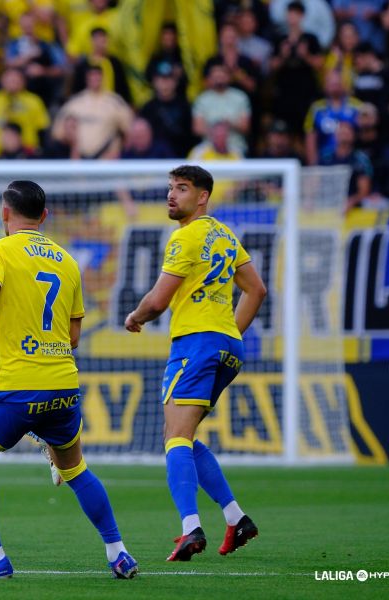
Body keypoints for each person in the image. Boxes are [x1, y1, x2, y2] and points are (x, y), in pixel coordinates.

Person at [0, 180, 138, 580]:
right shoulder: (67, 261)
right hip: (63, 385)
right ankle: (118, 552)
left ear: (4, 213)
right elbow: (70, 337)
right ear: (45, 216)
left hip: (18, 386)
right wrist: (0, 343)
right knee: (76, 470)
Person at [124, 165, 266, 561]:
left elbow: (157, 300)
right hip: (226, 347)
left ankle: (190, 528)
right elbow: (256, 289)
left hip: (196, 345)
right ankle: (236, 518)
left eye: (182, 189)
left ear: (202, 197)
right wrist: (230, 334)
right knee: (184, 435)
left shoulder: (185, 237)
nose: (172, 195)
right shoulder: (224, 234)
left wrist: (135, 317)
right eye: (170, 188)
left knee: (173, 439)